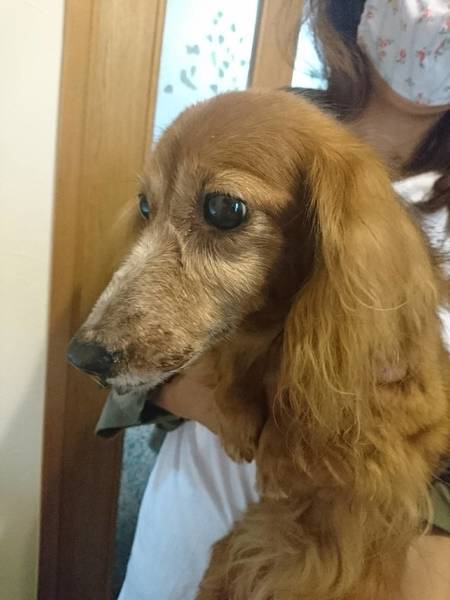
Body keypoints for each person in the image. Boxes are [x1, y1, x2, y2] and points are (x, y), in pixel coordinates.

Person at [116, 1, 450, 598]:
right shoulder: (245, 127)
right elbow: (126, 349)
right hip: (197, 496)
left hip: (374, 549)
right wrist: (259, 423)